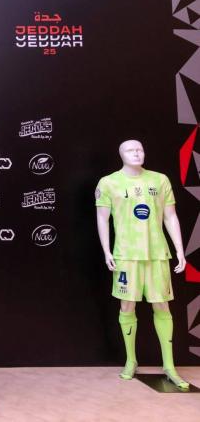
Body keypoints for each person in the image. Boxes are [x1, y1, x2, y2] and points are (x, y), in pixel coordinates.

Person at [96, 139, 189, 390]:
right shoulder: (108, 182)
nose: (136, 153)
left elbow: (170, 216)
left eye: (139, 149)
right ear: (121, 154)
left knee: (162, 305)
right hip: (126, 254)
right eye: (130, 150)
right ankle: (131, 361)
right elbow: (103, 219)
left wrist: (180, 249)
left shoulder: (160, 180)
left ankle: (169, 366)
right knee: (127, 305)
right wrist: (106, 250)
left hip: (157, 253)